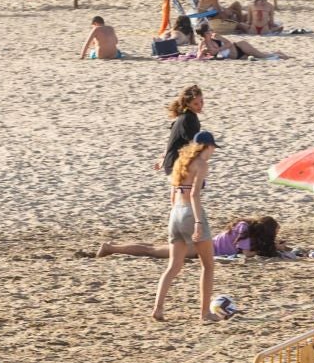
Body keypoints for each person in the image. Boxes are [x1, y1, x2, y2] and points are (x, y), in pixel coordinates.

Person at [154, 132, 220, 321]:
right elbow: (195, 195)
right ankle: (205, 313)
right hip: (191, 213)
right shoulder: (201, 165)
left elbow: (173, 195)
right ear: (206, 147)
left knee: (173, 266)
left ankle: (158, 308)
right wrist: (198, 221)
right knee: (207, 265)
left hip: (176, 213)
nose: (213, 151)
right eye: (213, 147)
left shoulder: (180, 162)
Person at [93, 215, 282, 261]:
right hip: (199, 247)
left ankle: (112, 246)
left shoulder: (245, 227)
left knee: (152, 247)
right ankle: (110, 248)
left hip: (200, 241)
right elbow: (247, 253)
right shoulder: (246, 234)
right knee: (152, 251)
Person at [160, 85, 204, 177]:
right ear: (188, 104)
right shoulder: (188, 119)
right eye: (196, 104)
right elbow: (193, 144)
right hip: (176, 165)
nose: (200, 105)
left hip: (171, 164)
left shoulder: (185, 116)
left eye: (201, 101)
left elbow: (173, 140)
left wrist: (163, 158)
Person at [197, 29, 287, 60]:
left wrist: (218, 50)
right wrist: (202, 52)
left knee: (262, 56)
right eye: (208, 31)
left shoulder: (216, 36)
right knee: (259, 56)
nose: (210, 32)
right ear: (204, 34)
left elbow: (229, 43)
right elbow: (198, 57)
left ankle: (279, 55)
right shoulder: (203, 44)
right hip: (237, 57)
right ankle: (277, 53)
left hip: (239, 47)